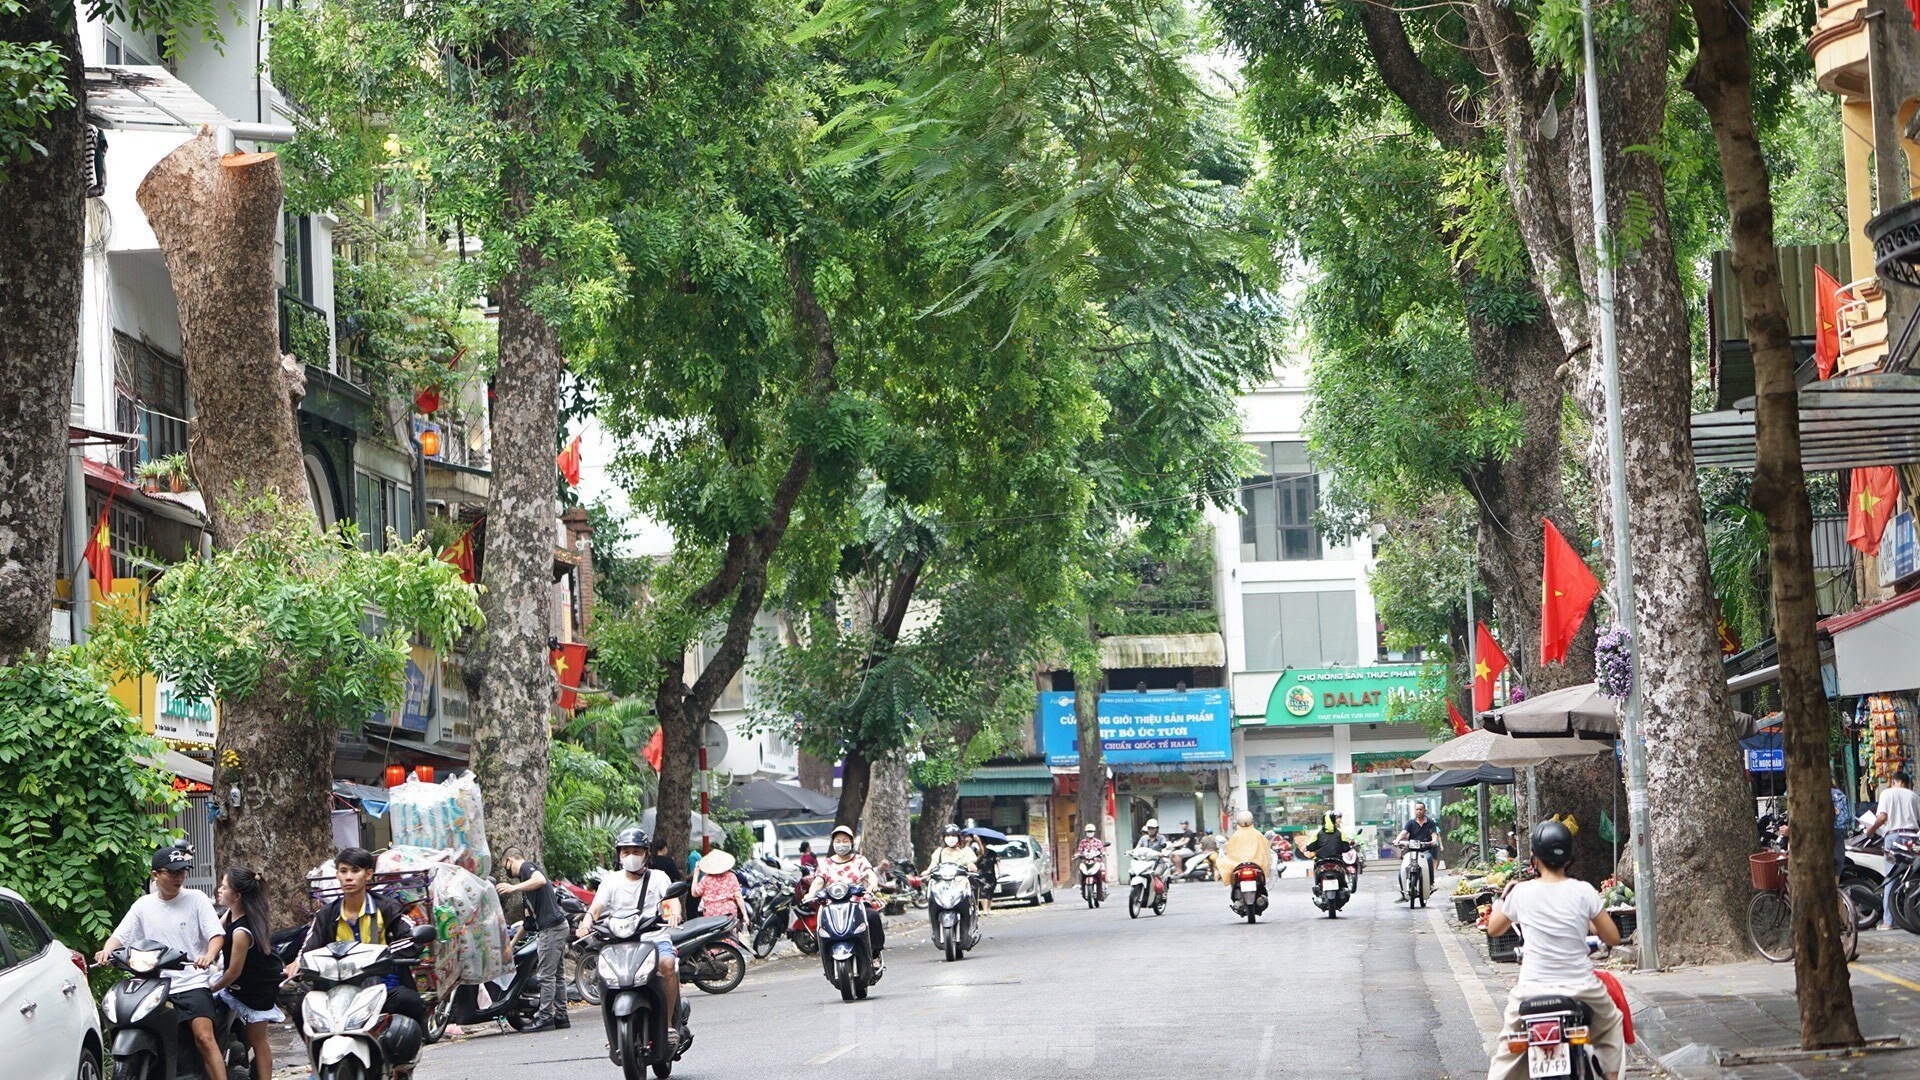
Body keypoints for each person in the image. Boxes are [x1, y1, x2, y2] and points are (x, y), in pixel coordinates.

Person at [1484, 821, 1625, 1080]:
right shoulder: (1584, 891)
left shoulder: (1520, 892)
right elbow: (1612, 937)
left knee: (1506, 1052)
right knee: (1611, 1025)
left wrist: (1503, 896)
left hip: (1531, 989)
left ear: (1533, 858)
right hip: (1581, 988)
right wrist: (1589, 920)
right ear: (1569, 859)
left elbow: (1494, 929)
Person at [97, 843, 228, 1080]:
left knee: (204, 1037)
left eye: (182, 872)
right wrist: (106, 951)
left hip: (190, 981)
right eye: (173, 872)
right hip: (152, 984)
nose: (179, 878)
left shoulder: (196, 899)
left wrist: (208, 955)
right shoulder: (143, 905)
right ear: (155, 875)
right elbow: (120, 936)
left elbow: (216, 935)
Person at [290, 847, 429, 1029]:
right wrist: (298, 963)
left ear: (368, 874)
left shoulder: (388, 908)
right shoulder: (325, 914)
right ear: (337, 875)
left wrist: (383, 954)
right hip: (335, 990)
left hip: (382, 987)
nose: (348, 877)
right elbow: (310, 945)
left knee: (411, 1002)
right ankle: (316, 1056)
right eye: (343, 871)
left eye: (355, 871)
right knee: (301, 1009)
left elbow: (412, 939)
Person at [580, 828, 685, 1050]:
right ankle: (613, 1031)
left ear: (646, 853)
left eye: (636, 851)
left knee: (666, 965)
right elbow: (596, 907)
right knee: (603, 974)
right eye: (626, 851)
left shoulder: (658, 877)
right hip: (620, 943)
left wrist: (674, 912)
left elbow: (671, 899)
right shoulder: (611, 881)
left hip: (654, 938)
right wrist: (586, 922)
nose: (631, 856)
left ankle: (667, 1026)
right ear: (619, 855)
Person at [210, 866, 283, 1080]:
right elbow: (216, 934)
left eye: (224, 887)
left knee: (258, 1038)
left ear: (237, 895)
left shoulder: (243, 931)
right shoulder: (230, 914)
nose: (219, 891)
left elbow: (233, 972)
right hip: (239, 983)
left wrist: (213, 987)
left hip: (257, 987)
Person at [497, 848, 569, 1031]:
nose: (507, 871)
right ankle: (561, 1016)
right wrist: (511, 945)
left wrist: (513, 888)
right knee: (557, 975)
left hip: (551, 929)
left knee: (546, 975)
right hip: (557, 927)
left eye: (505, 866)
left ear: (510, 860)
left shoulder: (527, 868)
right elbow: (528, 923)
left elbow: (540, 880)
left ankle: (545, 1017)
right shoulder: (526, 887)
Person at [805, 824, 885, 969]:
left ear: (851, 842)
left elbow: (870, 874)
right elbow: (818, 881)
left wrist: (873, 884)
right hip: (832, 907)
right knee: (822, 926)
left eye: (845, 840)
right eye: (838, 841)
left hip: (858, 903)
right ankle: (828, 958)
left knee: (872, 917)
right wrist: (810, 894)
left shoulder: (860, 860)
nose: (841, 844)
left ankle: (874, 955)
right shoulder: (826, 863)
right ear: (833, 843)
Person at [1862, 771, 1920, 927]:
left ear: (1894, 781)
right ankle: (1910, 917)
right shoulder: (1914, 796)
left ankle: (1888, 921)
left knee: (1891, 878)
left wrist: (1871, 830)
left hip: (1893, 839)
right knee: (1911, 877)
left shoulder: (1887, 793)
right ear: (1906, 783)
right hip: (1912, 839)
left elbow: (1882, 817)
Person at [1396, 803, 1442, 900]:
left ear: (1425, 810)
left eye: (1420, 809)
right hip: (1411, 851)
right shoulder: (1410, 823)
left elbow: (1434, 834)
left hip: (1424, 850)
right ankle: (1403, 892)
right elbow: (1404, 833)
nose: (1418, 811)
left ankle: (1431, 883)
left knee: (1429, 858)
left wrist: (1434, 841)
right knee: (1401, 871)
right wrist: (1397, 840)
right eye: (1417, 809)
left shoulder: (1430, 823)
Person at [690, 850, 745, 929]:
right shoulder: (731, 876)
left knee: (714, 938)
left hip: (711, 915)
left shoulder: (706, 879)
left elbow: (694, 893)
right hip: (728, 914)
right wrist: (745, 915)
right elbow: (738, 896)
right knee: (729, 937)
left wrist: (696, 874)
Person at [1216, 811, 1274, 884]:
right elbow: (1265, 847)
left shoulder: (1236, 835)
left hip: (1239, 864)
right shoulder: (1257, 834)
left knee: (1222, 862)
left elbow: (1229, 850)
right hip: (1257, 864)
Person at [1074, 824, 1109, 900]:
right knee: (1080, 871)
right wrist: (1076, 855)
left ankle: (1103, 888)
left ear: (1094, 832)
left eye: (1091, 831)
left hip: (1096, 862)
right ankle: (1082, 887)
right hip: (1086, 863)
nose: (1090, 833)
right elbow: (1079, 851)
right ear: (1085, 832)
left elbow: (1102, 850)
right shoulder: (1083, 842)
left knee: (1102, 871)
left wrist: (1104, 853)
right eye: (1088, 831)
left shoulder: (1098, 842)